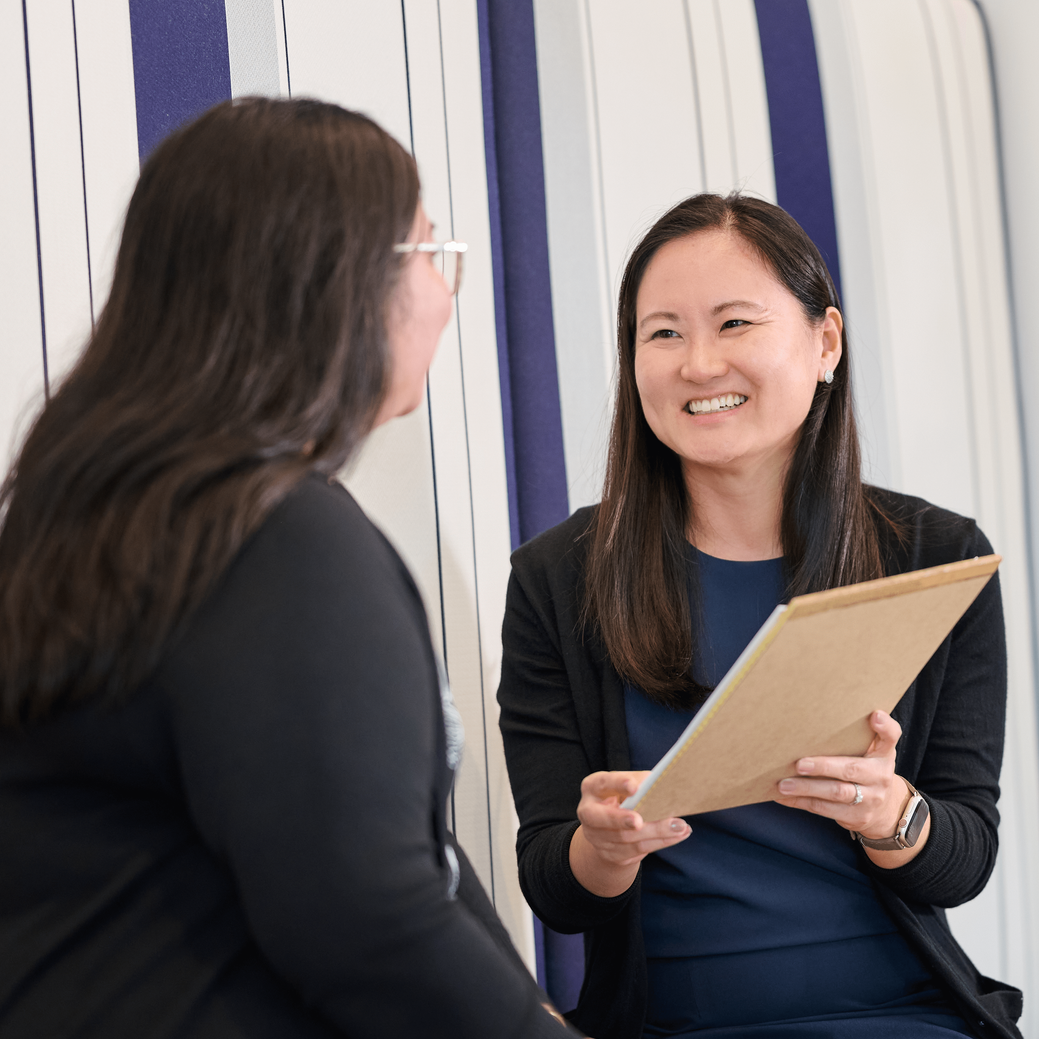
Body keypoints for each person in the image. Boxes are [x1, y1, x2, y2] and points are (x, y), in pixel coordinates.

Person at [0, 97, 576, 1038]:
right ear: (337, 282)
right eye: (428, 251)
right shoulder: (273, 540)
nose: (444, 290)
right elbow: (374, 920)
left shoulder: (109, 509)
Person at [497, 193, 1023, 1039]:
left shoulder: (935, 554)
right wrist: (603, 847)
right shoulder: (559, 579)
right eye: (662, 332)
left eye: (734, 323)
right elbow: (552, 887)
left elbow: (962, 855)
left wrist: (890, 813)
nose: (698, 364)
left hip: (903, 1018)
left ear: (825, 342)